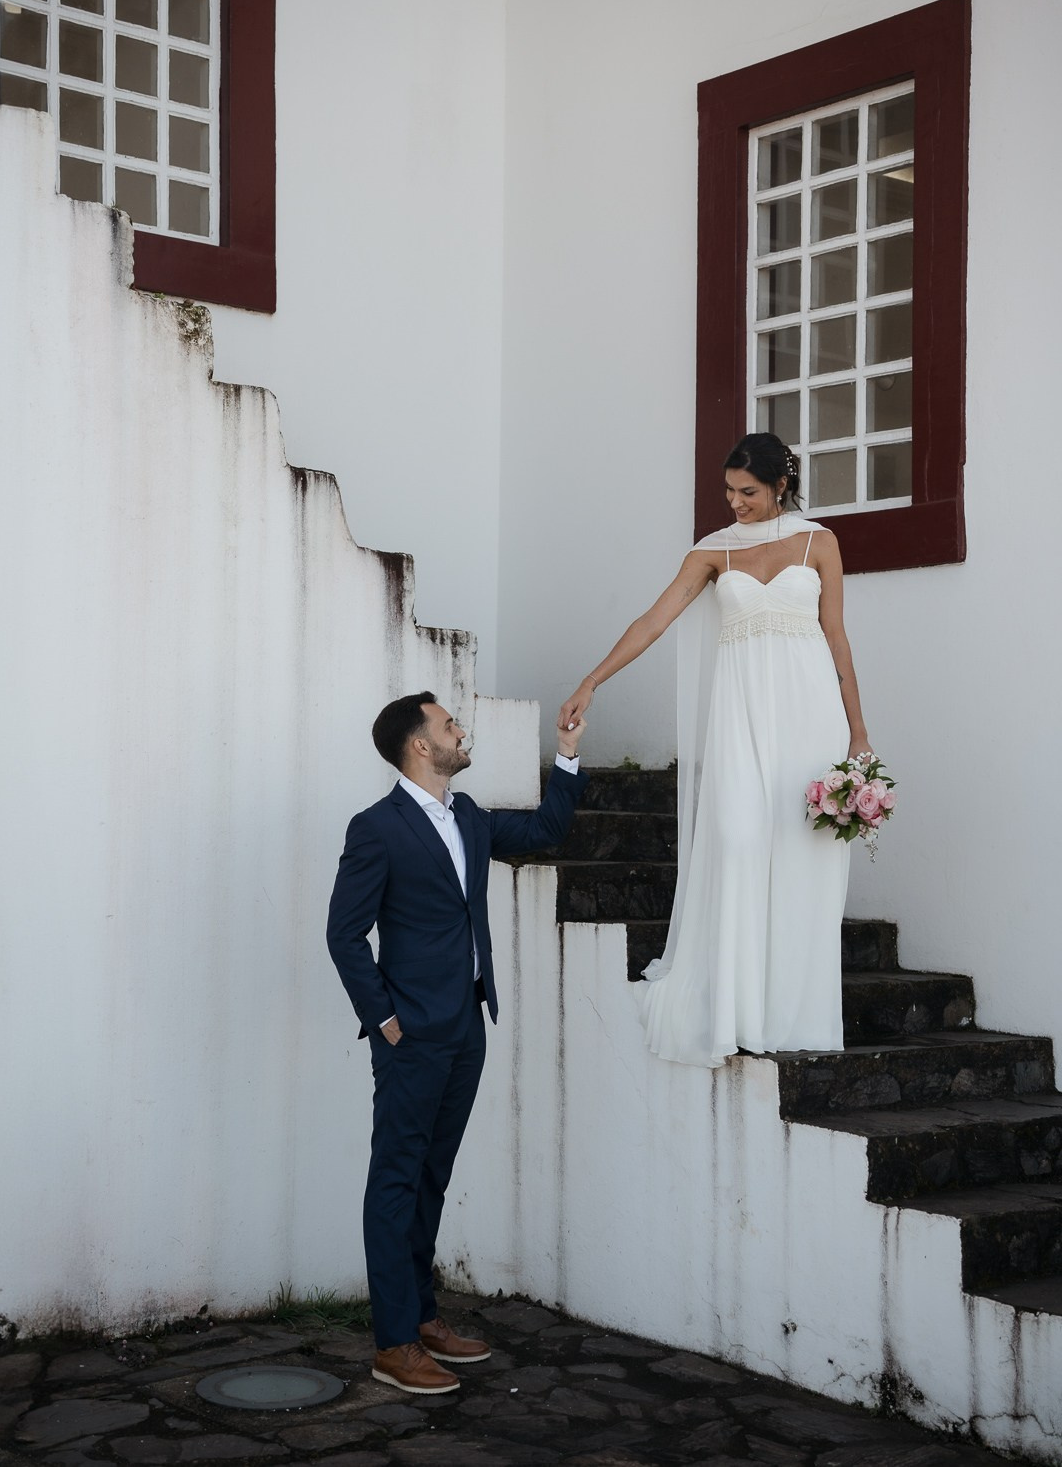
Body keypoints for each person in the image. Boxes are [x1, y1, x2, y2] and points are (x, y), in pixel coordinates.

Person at [559, 432, 871, 1068]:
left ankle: (794, 1014)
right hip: (741, 716)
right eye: (728, 491)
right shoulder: (712, 551)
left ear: (781, 484)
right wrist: (592, 681)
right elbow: (653, 621)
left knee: (804, 854)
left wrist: (858, 734)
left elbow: (836, 639)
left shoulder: (819, 543)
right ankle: (735, 1008)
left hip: (810, 716)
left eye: (747, 492)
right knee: (735, 837)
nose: (735, 503)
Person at [327, 693, 588, 1394]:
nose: (460, 731)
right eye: (449, 725)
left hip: (467, 1025)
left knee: (431, 1176)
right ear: (420, 745)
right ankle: (394, 1344)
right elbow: (343, 933)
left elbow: (545, 830)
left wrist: (566, 754)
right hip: (411, 1035)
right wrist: (383, 1017)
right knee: (396, 1179)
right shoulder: (377, 828)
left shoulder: (468, 816)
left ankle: (421, 1316)